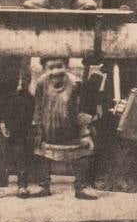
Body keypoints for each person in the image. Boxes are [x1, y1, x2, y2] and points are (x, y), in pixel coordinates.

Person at [30, 57, 98, 200]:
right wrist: (38, 127)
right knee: (41, 153)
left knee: (83, 153)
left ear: (66, 66)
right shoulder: (42, 82)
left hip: (71, 129)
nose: (55, 72)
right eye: (51, 68)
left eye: (59, 66)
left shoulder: (75, 83)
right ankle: (44, 185)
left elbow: (81, 108)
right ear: (45, 68)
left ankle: (81, 187)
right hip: (49, 129)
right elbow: (38, 105)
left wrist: (84, 131)